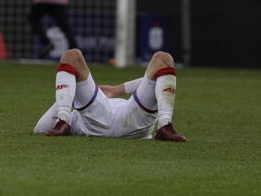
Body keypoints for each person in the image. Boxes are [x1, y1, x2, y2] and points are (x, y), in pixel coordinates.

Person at [34, 49, 186, 142]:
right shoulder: (72, 110)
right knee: (163, 59)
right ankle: (165, 127)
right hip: (132, 124)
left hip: (106, 117)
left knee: (71, 56)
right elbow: (41, 130)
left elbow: (40, 129)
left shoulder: (77, 107)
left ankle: (165, 126)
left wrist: (115, 90)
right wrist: (70, 97)